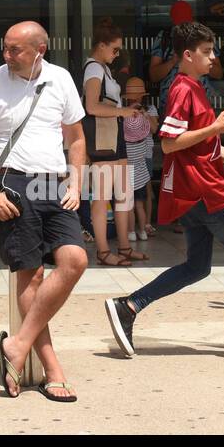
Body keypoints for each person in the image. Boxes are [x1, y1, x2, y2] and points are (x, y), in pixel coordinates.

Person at [106, 21, 224, 362]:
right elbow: (169, 143)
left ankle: (129, 306)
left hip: (192, 191)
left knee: (197, 267)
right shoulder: (183, 89)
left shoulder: (189, 87)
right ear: (187, 55)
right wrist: (217, 126)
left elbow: (203, 144)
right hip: (206, 189)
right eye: (206, 52)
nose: (213, 58)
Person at [0, 21, 88, 401]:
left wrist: (76, 183)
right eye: (6, 48)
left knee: (75, 260)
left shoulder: (61, 79)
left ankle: (18, 343)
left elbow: (76, 137)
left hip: (55, 184)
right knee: (30, 278)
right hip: (12, 186)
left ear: (39, 50)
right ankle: (53, 369)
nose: (6, 55)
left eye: (16, 50)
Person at [83, 20, 146, 266]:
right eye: (115, 49)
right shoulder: (94, 69)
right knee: (102, 196)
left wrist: (124, 110)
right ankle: (103, 251)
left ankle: (123, 246)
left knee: (123, 193)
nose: (117, 54)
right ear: (101, 45)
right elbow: (91, 106)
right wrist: (123, 113)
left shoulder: (102, 68)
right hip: (102, 135)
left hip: (112, 133)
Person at [121, 77, 157, 241]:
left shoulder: (150, 109)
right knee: (139, 200)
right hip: (141, 155)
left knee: (143, 195)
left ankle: (143, 226)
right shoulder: (123, 111)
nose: (134, 98)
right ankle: (142, 229)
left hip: (143, 155)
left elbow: (155, 129)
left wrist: (145, 115)